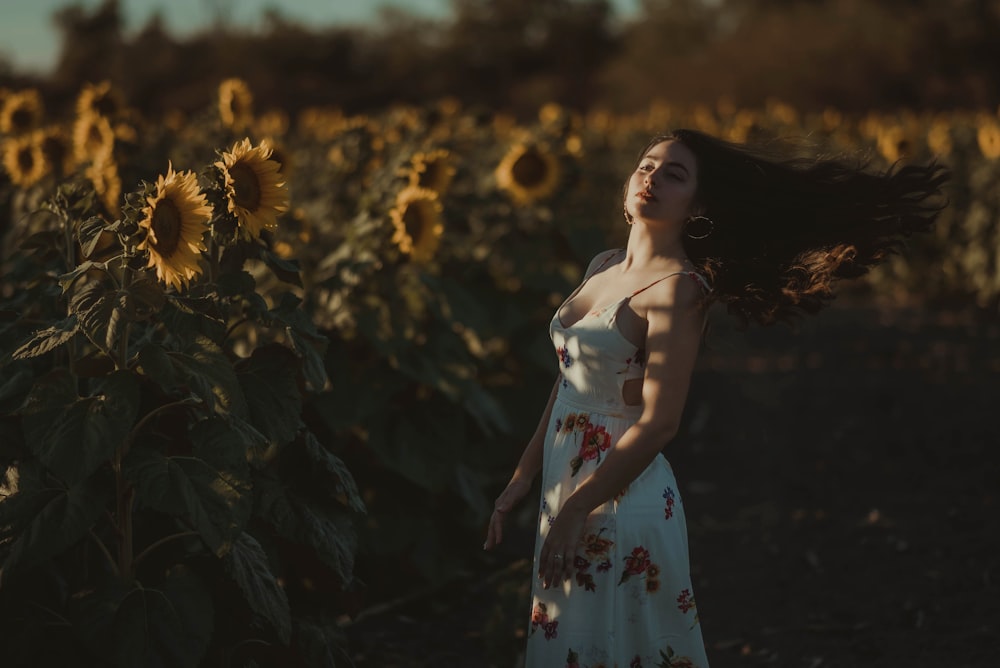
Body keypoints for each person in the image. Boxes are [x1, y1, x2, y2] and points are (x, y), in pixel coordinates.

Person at [483, 129, 949, 668]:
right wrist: (523, 475)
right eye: (647, 166)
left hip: (615, 493)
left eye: (674, 174)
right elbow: (569, 380)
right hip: (566, 488)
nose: (652, 178)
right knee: (571, 641)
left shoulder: (679, 289)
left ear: (698, 205)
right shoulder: (602, 264)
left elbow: (660, 423)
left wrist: (578, 507)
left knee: (615, 647)